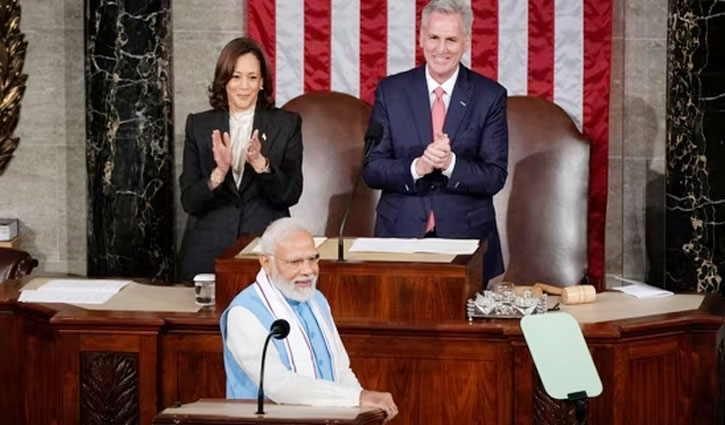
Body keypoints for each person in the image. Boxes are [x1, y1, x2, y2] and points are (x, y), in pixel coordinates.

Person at [362, 0, 508, 283]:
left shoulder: (489, 96)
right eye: (434, 38)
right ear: (421, 38)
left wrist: (450, 163)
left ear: (467, 41)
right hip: (399, 237)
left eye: (451, 39)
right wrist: (418, 166)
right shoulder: (391, 91)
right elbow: (372, 168)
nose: (441, 49)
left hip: (467, 240)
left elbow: (495, 175)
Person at [219, 218, 398, 421]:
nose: (308, 271)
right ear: (266, 262)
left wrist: (361, 413)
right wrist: (355, 398)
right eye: (295, 262)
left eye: (313, 259)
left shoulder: (316, 299)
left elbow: (340, 368)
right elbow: (278, 385)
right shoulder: (244, 312)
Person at [179, 37, 303, 283]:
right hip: (208, 251)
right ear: (223, 79)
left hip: (265, 248)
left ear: (262, 83)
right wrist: (218, 174)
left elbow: (291, 194)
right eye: (235, 77)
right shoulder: (199, 125)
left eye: (252, 77)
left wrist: (261, 164)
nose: (243, 86)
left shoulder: (286, 124)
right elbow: (189, 202)